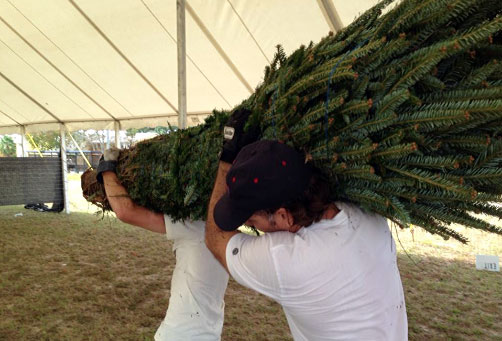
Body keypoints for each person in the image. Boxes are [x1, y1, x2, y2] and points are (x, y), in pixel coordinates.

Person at [204, 140, 408, 340]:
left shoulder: (287, 259)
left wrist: (227, 158)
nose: (252, 227)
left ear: (283, 216)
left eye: (251, 222)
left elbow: (215, 240)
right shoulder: (368, 215)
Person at [96, 148, 229, 340]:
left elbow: (127, 212)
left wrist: (107, 167)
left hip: (179, 335)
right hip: (209, 334)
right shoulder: (226, 228)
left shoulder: (194, 225)